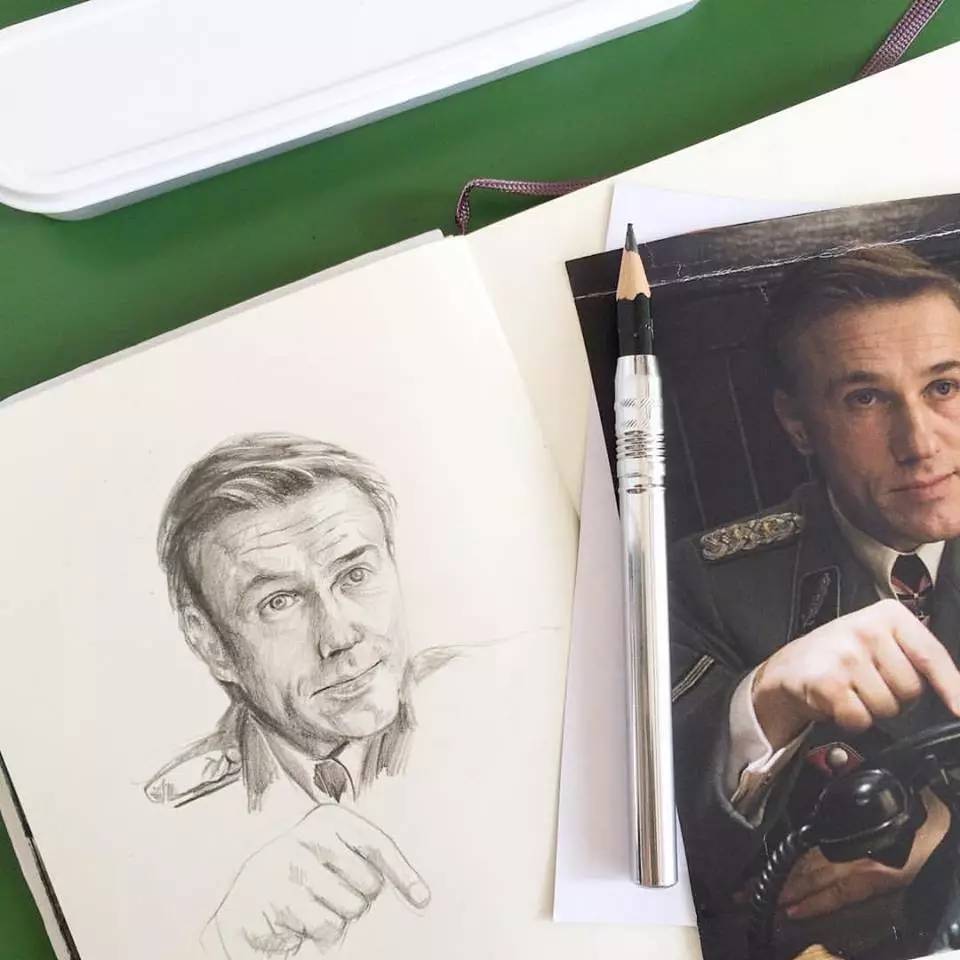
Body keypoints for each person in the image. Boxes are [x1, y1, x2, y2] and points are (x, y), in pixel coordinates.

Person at [670, 247, 960, 959]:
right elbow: (665, 866)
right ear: (798, 424)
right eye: (865, 398)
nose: (919, 444)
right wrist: (764, 701)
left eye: (944, 386)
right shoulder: (710, 583)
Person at [144, 433, 455, 957]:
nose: (340, 637)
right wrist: (227, 948)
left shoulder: (511, 696)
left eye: (355, 574)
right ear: (212, 644)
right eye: (279, 602)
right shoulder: (169, 828)